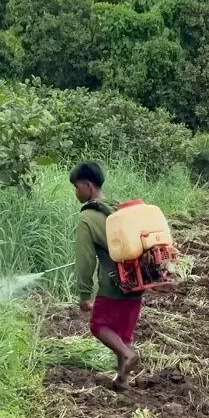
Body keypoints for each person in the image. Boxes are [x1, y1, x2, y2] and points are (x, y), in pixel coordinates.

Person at [70, 161, 145, 390]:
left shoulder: (87, 218)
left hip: (112, 286)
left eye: (76, 187)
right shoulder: (118, 209)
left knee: (99, 326)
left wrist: (84, 294)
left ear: (88, 186)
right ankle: (122, 380)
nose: (75, 192)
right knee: (123, 332)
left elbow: (85, 260)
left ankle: (126, 354)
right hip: (138, 282)